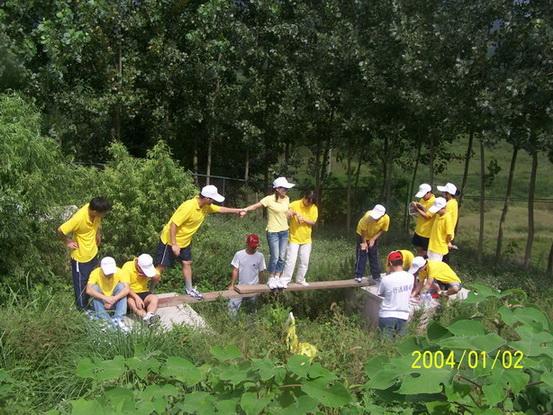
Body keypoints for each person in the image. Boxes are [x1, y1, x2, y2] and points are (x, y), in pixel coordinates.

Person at [156, 185, 246, 299]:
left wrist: (238, 211)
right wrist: (174, 244)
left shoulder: (205, 206)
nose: (213, 202)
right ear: (207, 198)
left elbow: (221, 209)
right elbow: (173, 224)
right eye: (212, 199)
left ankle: (189, 289)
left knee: (187, 263)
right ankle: (149, 291)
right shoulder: (189, 206)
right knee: (161, 267)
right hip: (169, 240)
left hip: (185, 241)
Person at [58, 197, 112, 310]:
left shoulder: (96, 212)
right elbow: (61, 230)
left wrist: (98, 234)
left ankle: (90, 305)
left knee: (91, 281)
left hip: (93, 253)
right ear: (94, 211)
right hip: (81, 257)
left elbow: (97, 224)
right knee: (81, 285)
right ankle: (82, 309)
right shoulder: (79, 218)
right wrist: (67, 241)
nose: (103, 216)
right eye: (103, 213)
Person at [243, 177, 297, 288]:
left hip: (284, 231)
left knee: (282, 256)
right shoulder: (269, 199)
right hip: (273, 232)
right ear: (277, 189)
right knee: (275, 256)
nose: (286, 190)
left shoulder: (287, 198)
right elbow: (256, 206)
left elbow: (287, 211)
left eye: (287, 188)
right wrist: (245, 210)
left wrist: (291, 213)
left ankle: (278, 277)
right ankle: (271, 277)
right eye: (284, 188)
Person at [280, 190, 318, 288]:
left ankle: (300, 279)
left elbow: (313, 222)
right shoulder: (295, 204)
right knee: (291, 260)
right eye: (308, 201)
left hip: (306, 239)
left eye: (311, 202)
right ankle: (285, 280)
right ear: (304, 198)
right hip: (294, 238)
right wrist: (291, 213)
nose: (309, 203)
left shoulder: (314, 207)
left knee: (304, 261)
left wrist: (304, 219)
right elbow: (286, 213)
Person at [85, 256, 130, 331]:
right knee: (94, 288)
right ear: (101, 268)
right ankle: (105, 320)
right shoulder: (95, 272)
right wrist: (105, 298)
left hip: (114, 299)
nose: (109, 274)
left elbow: (127, 289)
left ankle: (118, 319)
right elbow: (88, 290)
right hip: (101, 301)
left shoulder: (120, 272)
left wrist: (114, 299)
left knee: (121, 287)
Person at [227, 234, 267, 315]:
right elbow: (235, 270)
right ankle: (230, 323)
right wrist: (232, 285)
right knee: (231, 307)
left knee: (252, 310)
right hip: (240, 287)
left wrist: (261, 286)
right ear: (247, 244)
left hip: (254, 287)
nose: (253, 248)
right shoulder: (239, 254)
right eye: (252, 246)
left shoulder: (260, 256)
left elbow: (261, 272)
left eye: (255, 247)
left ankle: (251, 324)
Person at [377, 251, 414, 337]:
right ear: (402, 262)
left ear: (390, 263)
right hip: (403, 316)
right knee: (401, 346)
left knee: (385, 346)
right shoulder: (410, 277)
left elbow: (380, 293)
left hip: (387, 315)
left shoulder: (386, 279)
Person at [122, 253, 161, 326]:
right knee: (131, 302)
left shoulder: (148, 264)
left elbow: (158, 277)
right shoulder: (127, 266)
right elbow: (126, 287)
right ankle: (145, 317)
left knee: (154, 298)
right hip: (131, 293)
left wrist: (148, 275)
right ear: (138, 265)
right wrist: (136, 298)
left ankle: (150, 315)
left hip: (144, 291)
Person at [354, 204, 390, 283]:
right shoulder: (367, 217)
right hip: (362, 235)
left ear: (382, 215)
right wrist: (364, 243)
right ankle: (358, 275)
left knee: (373, 254)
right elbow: (363, 230)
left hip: (373, 236)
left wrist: (373, 239)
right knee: (362, 254)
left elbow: (383, 230)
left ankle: (376, 276)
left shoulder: (386, 218)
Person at [410, 183, 435, 256]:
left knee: (425, 253)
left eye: (424, 195)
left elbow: (428, 216)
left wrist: (417, 209)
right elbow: (423, 211)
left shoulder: (434, 202)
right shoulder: (422, 199)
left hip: (427, 233)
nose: (423, 197)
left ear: (429, 192)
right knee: (419, 250)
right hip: (419, 229)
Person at [437, 182, 459, 263]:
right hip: (446, 235)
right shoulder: (453, 202)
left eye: (444, 192)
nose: (442, 194)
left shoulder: (449, 205)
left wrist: (448, 241)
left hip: (446, 236)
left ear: (448, 194)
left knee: (442, 260)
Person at [427, 197, 454, 262]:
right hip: (431, 245)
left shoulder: (447, 218)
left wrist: (448, 242)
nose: (436, 211)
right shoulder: (438, 215)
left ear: (443, 208)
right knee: (428, 264)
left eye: (438, 209)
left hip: (438, 248)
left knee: (434, 267)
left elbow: (449, 234)